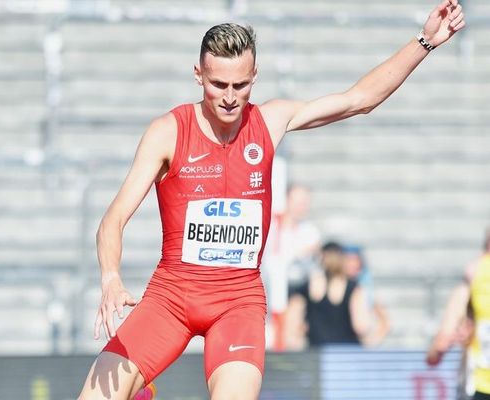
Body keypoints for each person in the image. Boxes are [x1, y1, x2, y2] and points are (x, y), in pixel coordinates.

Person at [78, 2, 465, 398]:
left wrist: (426, 41)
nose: (229, 98)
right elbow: (113, 218)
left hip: (237, 302)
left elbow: (358, 100)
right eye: (218, 85)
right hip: (171, 296)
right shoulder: (168, 132)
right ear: (199, 76)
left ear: (255, 76)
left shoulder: (269, 120)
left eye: (241, 86)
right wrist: (110, 278)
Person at [426, 228, 490, 400]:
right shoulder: (467, 289)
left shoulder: (469, 283)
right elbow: (437, 349)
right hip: (479, 386)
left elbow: (436, 351)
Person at [262, 183, 320, 351]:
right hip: (268, 286)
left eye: (305, 202)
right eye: (298, 202)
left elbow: (311, 262)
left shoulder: (309, 231)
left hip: (296, 289)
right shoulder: (272, 227)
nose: (302, 207)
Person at [284, 241, 372, 348]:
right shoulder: (353, 287)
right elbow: (361, 326)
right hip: (347, 353)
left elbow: (292, 325)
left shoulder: (307, 286)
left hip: (316, 352)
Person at [343, 244, 390, 346]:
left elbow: (385, 321)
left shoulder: (365, 289)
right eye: (348, 260)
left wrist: (372, 342)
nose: (352, 264)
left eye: (355, 260)